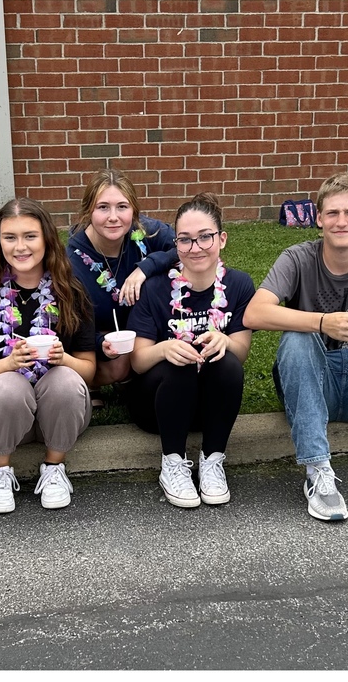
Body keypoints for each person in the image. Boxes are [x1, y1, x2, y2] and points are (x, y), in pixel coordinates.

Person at [244, 172, 348, 522]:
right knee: (298, 335)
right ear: (318, 218)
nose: (341, 221)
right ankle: (319, 473)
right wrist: (322, 322)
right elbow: (254, 313)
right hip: (313, 377)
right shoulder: (298, 257)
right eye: (332, 213)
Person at [0, 199, 96, 513]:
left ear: (47, 239)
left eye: (30, 236)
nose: (20, 246)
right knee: (9, 384)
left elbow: (88, 372)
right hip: (2, 415)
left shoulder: (71, 292)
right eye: (10, 237)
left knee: (65, 379)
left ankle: (53, 468)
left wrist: (65, 359)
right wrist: (9, 364)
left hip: (61, 414)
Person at [126, 193, 255, 507]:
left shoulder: (238, 285)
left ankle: (212, 460)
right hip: (157, 405)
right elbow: (138, 361)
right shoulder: (154, 289)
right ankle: (172, 462)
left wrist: (226, 342)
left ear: (221, 239)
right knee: (180, 360)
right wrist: (165, 348)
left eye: (205, 237)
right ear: (176, 245)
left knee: (228, 364)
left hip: (209, 407)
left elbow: (241, 351)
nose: (195, 248)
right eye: (185, 240)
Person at [68, 169, 177, 407]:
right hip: (96, 337)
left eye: (122, 207)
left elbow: (188, 245)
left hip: (144, 328)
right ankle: (91, 381)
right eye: (103, 207)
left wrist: (146, 267)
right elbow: (70, 326)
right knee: (119, 364)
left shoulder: (147, 231)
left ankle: (136, 376)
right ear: (88, 211)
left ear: (134, 211)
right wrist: (99, 344)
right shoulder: (72, 258)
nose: (113, 217)